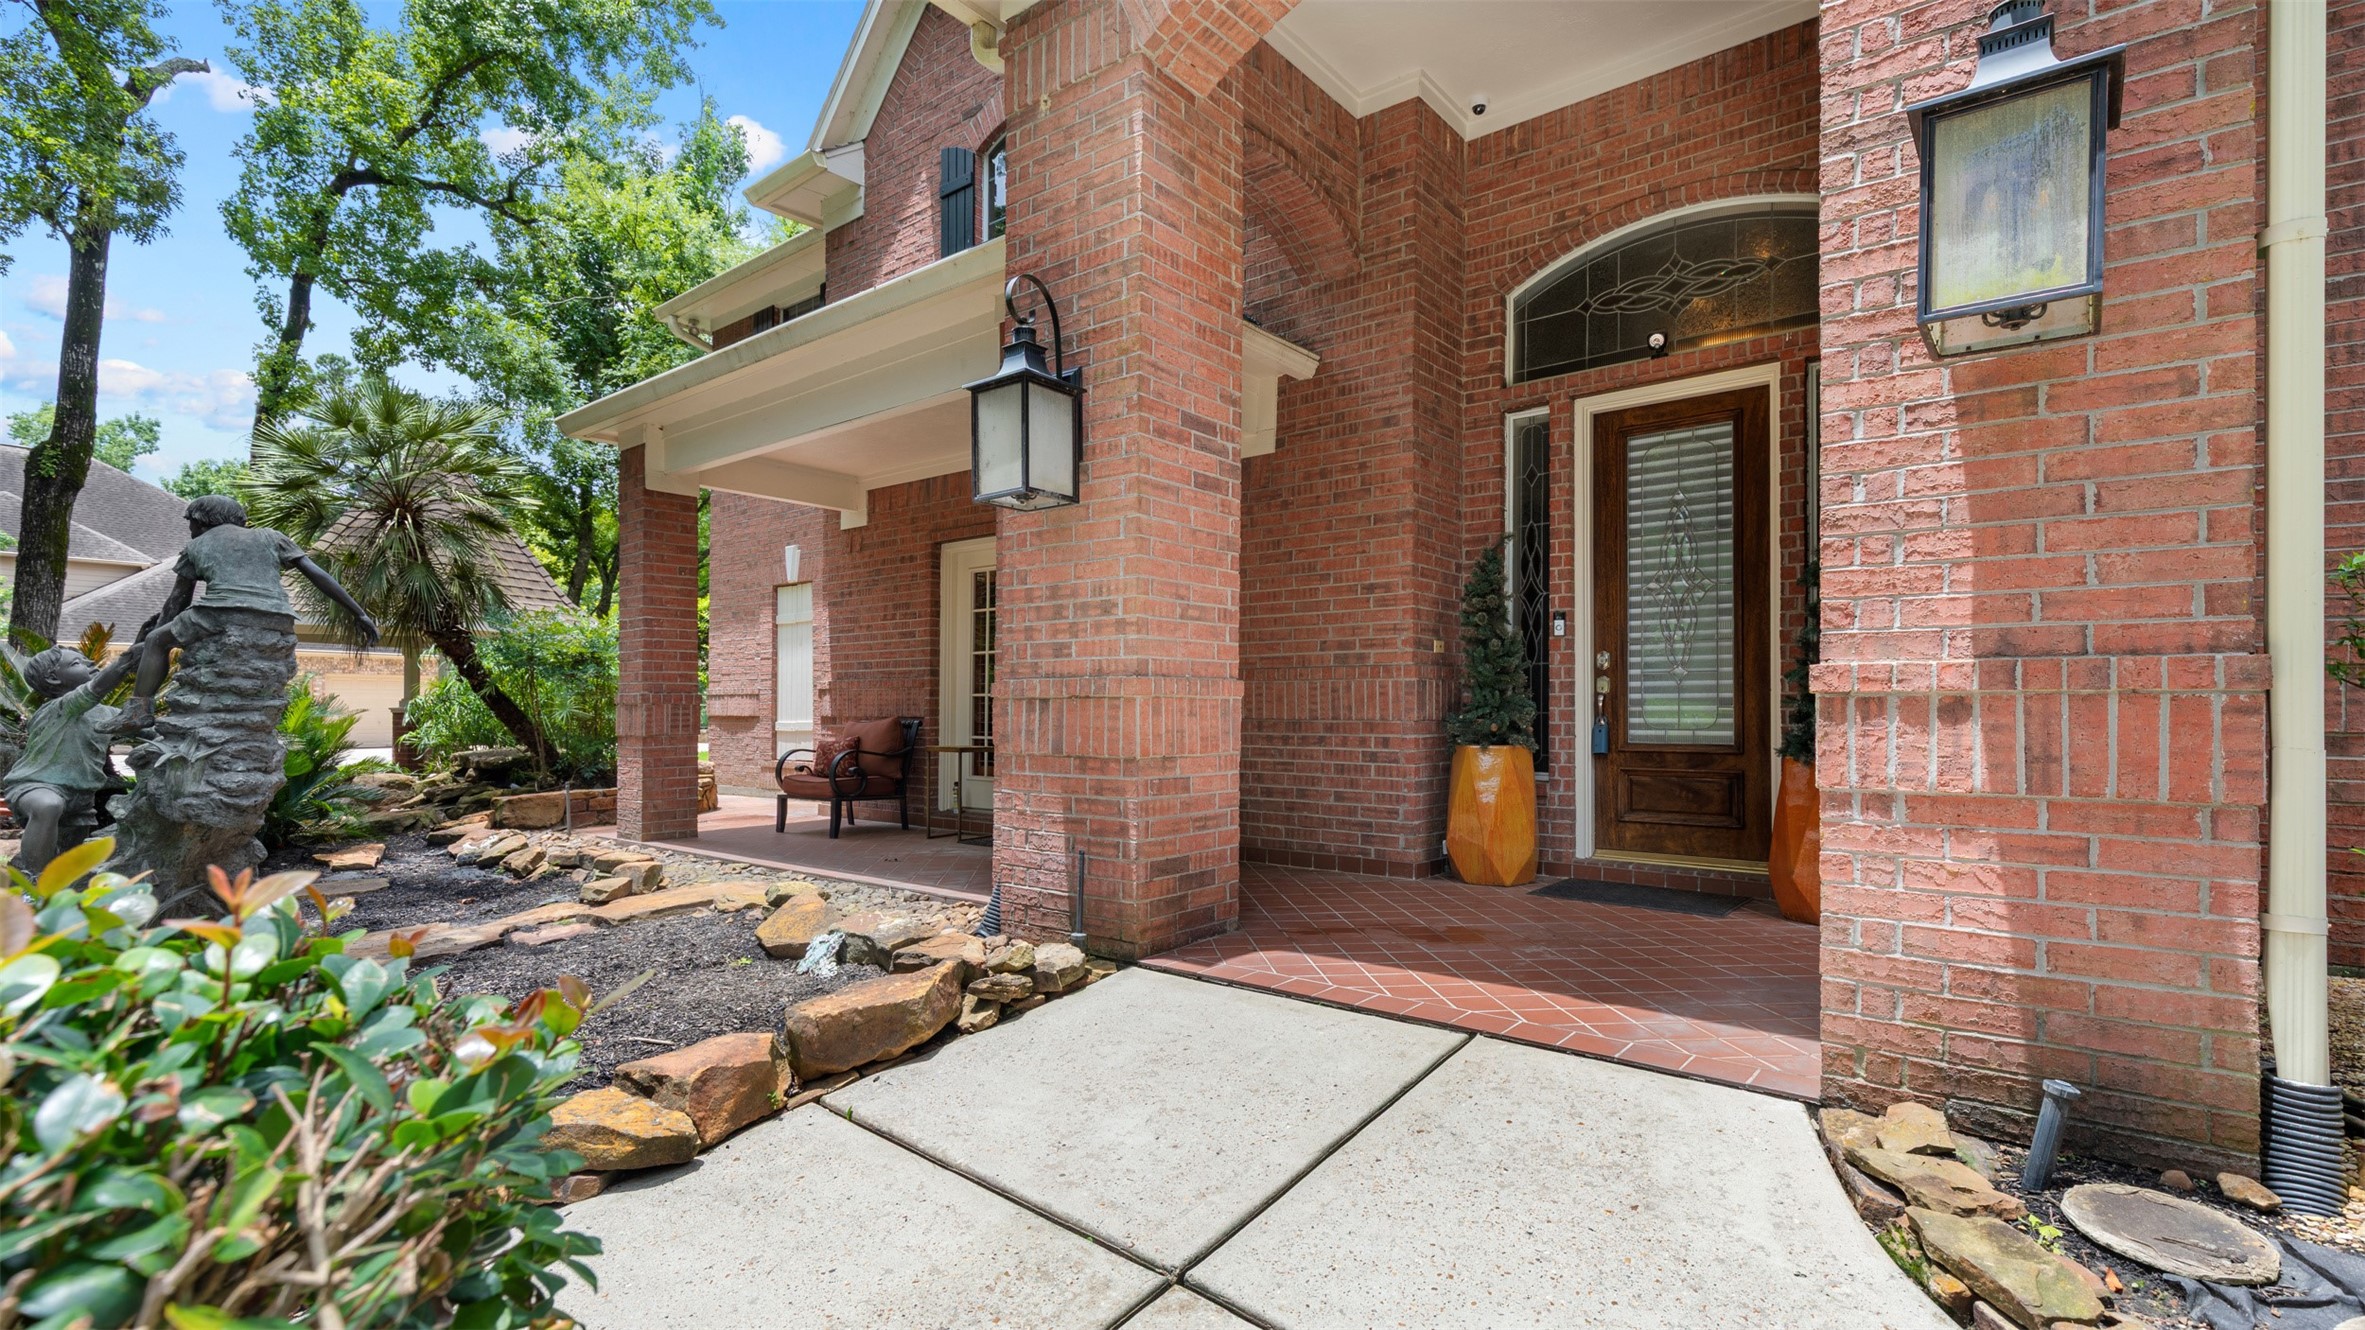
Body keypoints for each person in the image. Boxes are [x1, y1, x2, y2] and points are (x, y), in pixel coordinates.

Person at [111, 495, 380, 733]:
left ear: (202, 520)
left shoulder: (196, 546)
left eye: (190, 522)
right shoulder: (272, 536)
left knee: (158, 640)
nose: (190, 528)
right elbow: (317, 574)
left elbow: (177, 601)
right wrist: (359, 613)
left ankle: (138, 711)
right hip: (277, 616)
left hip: (222, 613)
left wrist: (148, 641)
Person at [9, 640, 145, 875]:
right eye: (76, 663)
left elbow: (145, 724)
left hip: (80, 800)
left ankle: (52, 894)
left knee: (66, 865)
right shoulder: (58, 708)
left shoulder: (108, 714)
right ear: (53, 679)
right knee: (48, 806)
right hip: (37, 785)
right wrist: (125, 660)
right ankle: (32, 884)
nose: (90, 662)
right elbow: (98, 687)